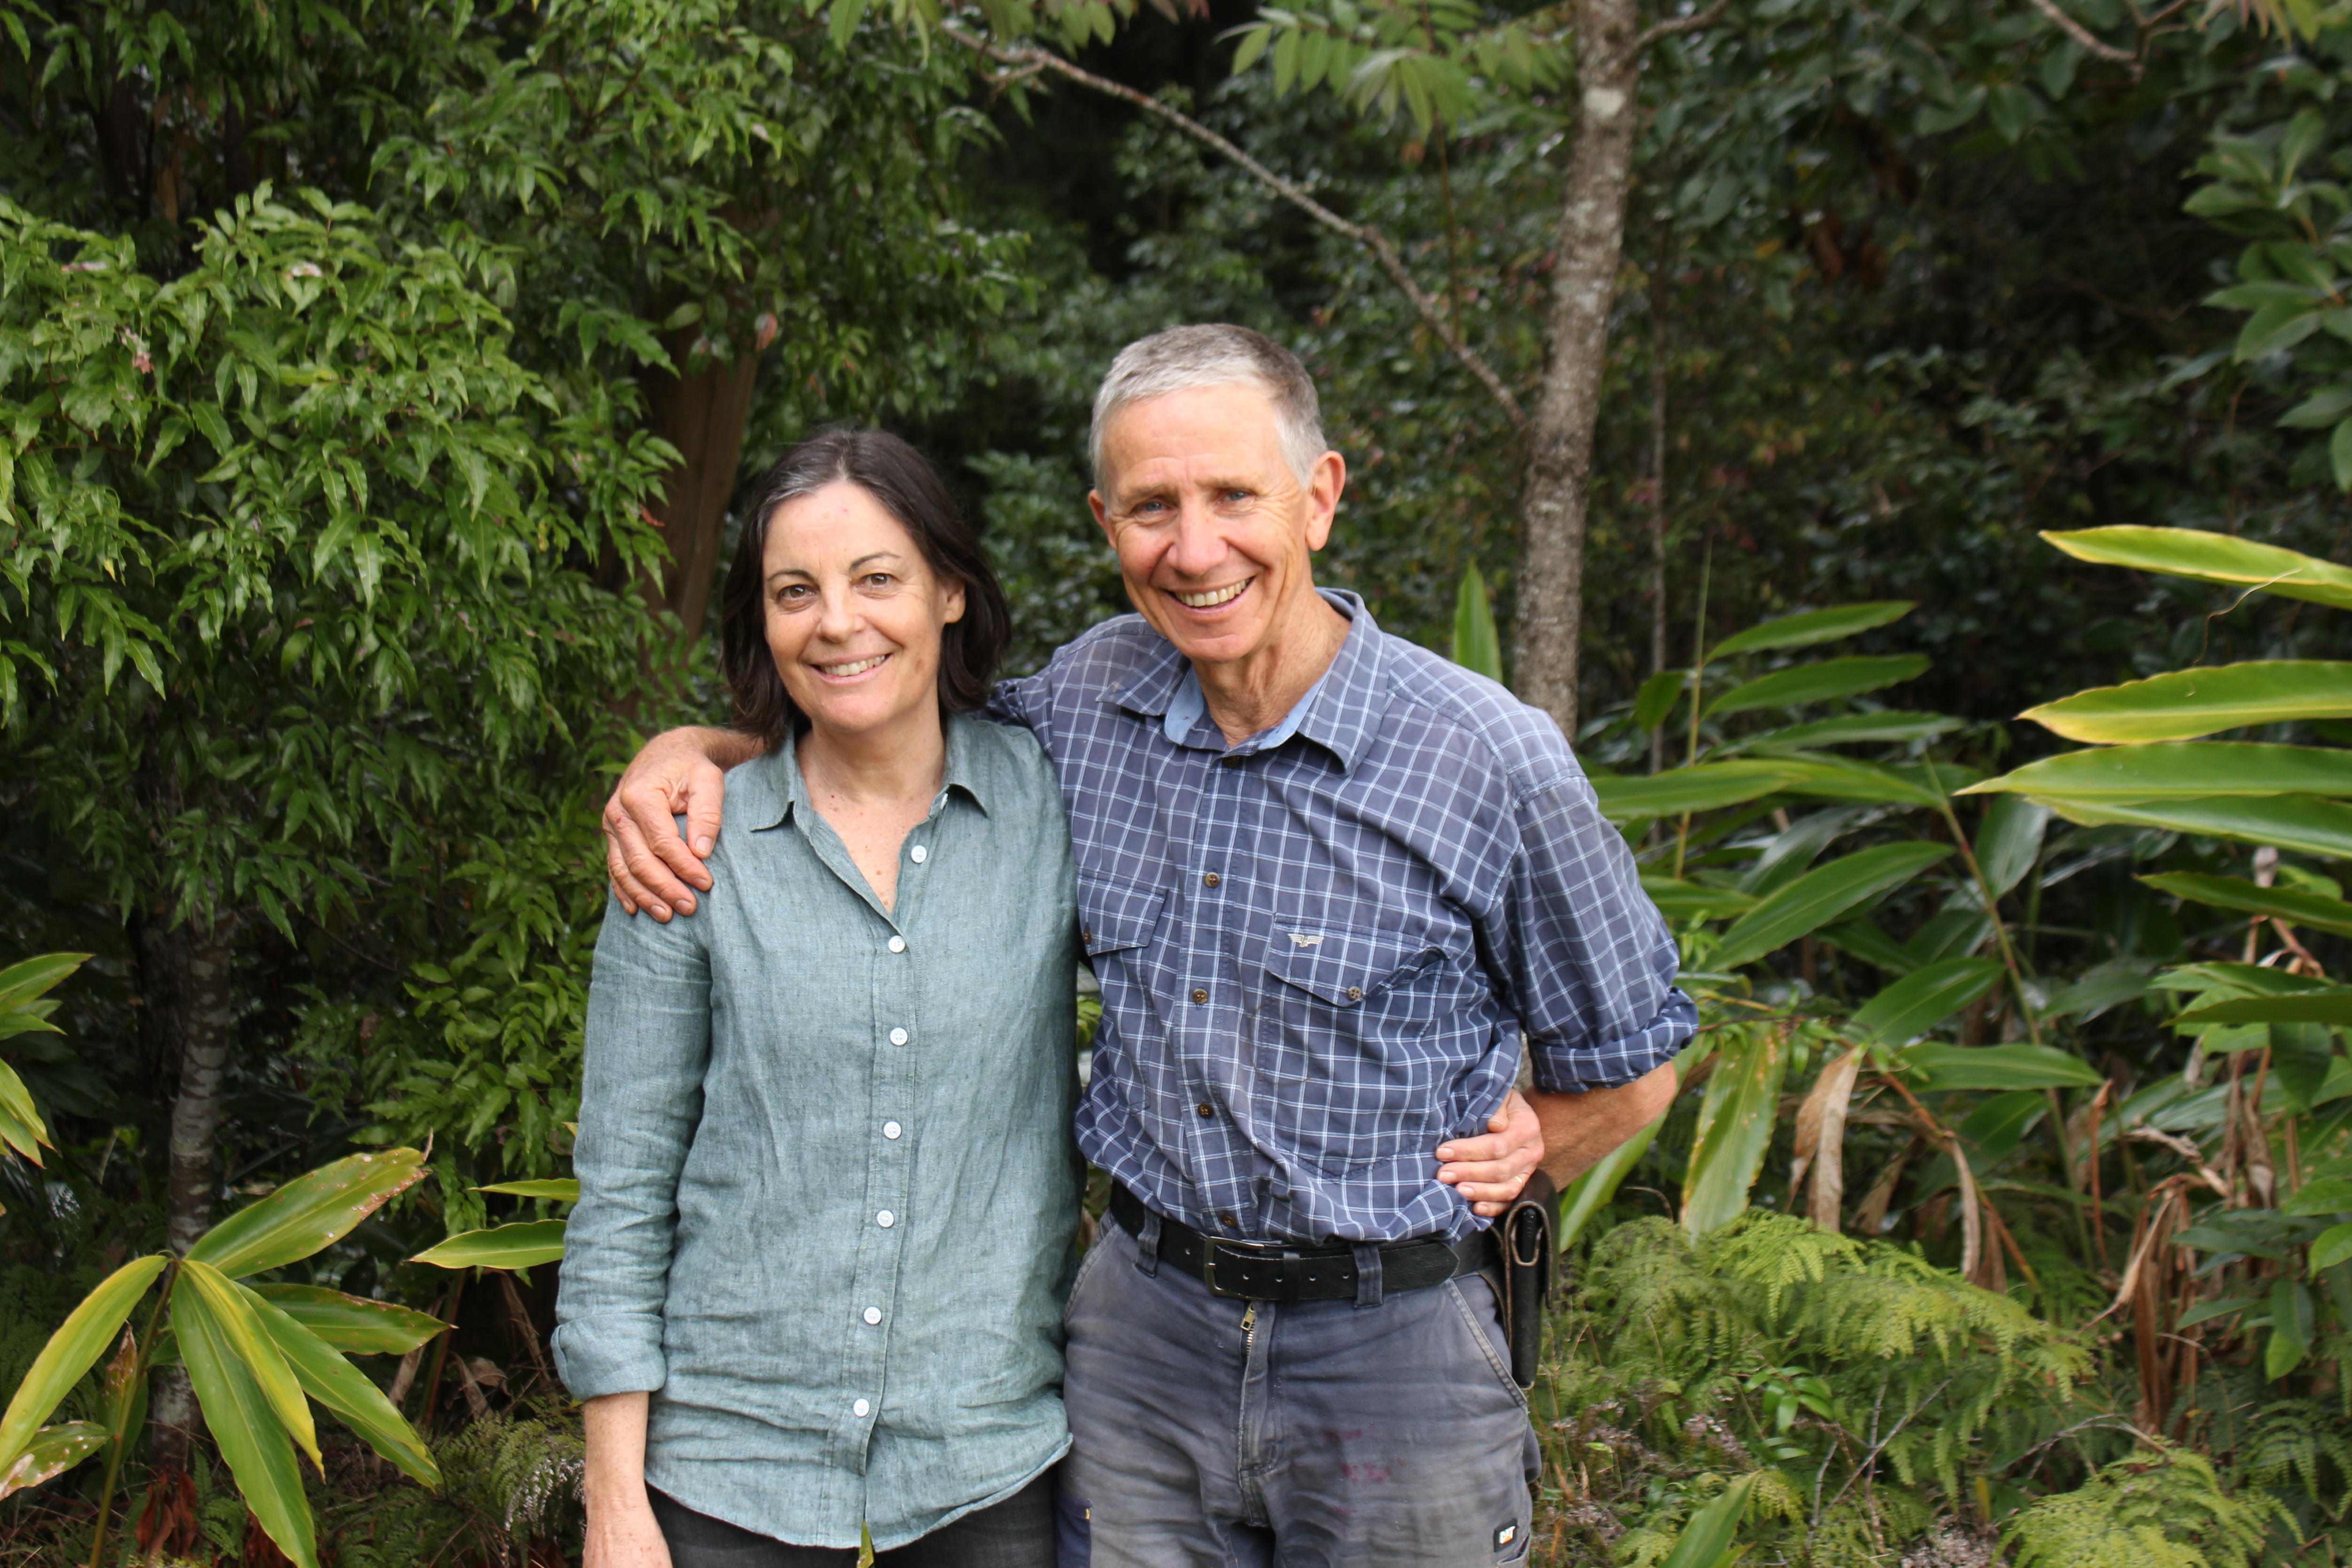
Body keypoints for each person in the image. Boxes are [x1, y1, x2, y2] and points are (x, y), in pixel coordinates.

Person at [604, 326, 1693, 1567]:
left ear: (1321, 497)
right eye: (1152, 507)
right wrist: (696, 751)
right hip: (1145, 1335)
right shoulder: (1087, 703)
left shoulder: (1486, 757)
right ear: (1105, 521)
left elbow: (1640, 1055)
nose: (1195, 546)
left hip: (1394, 1345)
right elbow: (879, 729)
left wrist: (1549, 1131)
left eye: (1235, 495)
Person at [556, 430, 1084, 1568]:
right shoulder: (689, 844)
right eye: (795, 591)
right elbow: (624, 1183)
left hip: (985, 1453)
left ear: (950, 589)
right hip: (726, 1465)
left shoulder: (1057, 804)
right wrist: (614, 1505)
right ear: (763, 621)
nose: (837, 621)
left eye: (877, 577)